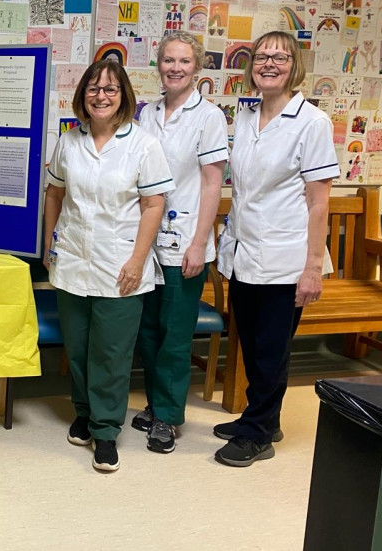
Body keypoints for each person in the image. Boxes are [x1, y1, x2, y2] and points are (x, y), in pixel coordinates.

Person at [214, 31, 339, 467]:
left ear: (295, 66)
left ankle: (256, 434)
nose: (269, 63)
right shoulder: (246, 115)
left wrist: (311, 269)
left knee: (270, 349)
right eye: (262, 56)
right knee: (251, 342)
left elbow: (319, 200)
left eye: (280, 57)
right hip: (245, 252)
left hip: (286, 259)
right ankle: (264, 418)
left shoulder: (312, 123)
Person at [43, 59, 174, 473]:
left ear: (124, 97)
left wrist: (138, 259)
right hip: (73, 262)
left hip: (120, 264)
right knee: (79, 349)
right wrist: (51, 244)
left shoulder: (143, 145)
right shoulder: (69, 141)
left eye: (111, 89)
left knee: (112, 353)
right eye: (94, 89)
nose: (101, 96)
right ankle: (83, 412)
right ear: (83, 95)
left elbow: (154, 204)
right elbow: (54, 194)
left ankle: (105, 430)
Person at [133, 32, 228, 454]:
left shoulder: (209, 117)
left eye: (184, 61)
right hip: (146, 240)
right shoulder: (146, 112)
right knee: (148, 329)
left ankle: (169, 418)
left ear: (197, 67)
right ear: (159, 64)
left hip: (184, 240)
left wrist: (198, 243)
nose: (175, 68)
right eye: (168, 60)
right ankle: (156, 405)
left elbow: (212, 184)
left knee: (175, 334)